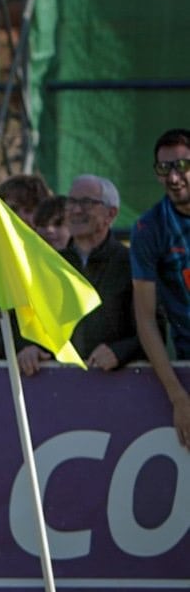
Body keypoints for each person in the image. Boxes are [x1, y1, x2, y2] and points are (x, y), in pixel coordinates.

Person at [18, 175, 140, 376]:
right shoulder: (47, 266)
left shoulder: (131, 264)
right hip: (55, 385)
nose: (75, 210)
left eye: (87, 203)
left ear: (111, 214)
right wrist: (28, 348)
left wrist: (120, 352)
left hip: (117, 383)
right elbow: (26, 324)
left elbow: (152, 330)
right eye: (71, 202)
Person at [131, 128, 190, 449]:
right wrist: (178, 396)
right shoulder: (149, 227)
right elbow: (145, 318)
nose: (174, 177)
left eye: (182, 165)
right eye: (164, 168)